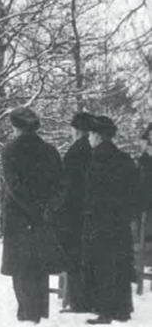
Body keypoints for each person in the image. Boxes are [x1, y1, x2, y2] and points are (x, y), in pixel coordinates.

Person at [1, 107, 66, 324]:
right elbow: (61, 187)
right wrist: (46, 209)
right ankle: (37, 315)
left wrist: (33, 209)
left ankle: (27, 315)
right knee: (40, 268)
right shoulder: (51, 151)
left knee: (21, 271)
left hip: (19, 220)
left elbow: (15, 187)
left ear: (16, 127)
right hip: (44, 220)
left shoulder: (9, 151)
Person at [81, 116, 138, 325]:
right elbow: (136, 194)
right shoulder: (125, 159)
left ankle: (104, 312)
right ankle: (122, 310)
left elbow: (89, 195)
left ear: (97, 135)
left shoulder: (94, 159)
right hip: (120, 224)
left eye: (90, 134)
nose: (89, 138)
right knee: (119, 266)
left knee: (101, 266)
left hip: (99, 223)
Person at [59, 112, 94, 314]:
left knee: (74, 258)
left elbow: (67, 187)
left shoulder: (74, 153)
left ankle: (78, 303)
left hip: (74, 214)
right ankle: (87, 300)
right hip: (89, 214)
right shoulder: (92, 151)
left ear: (77, 131)